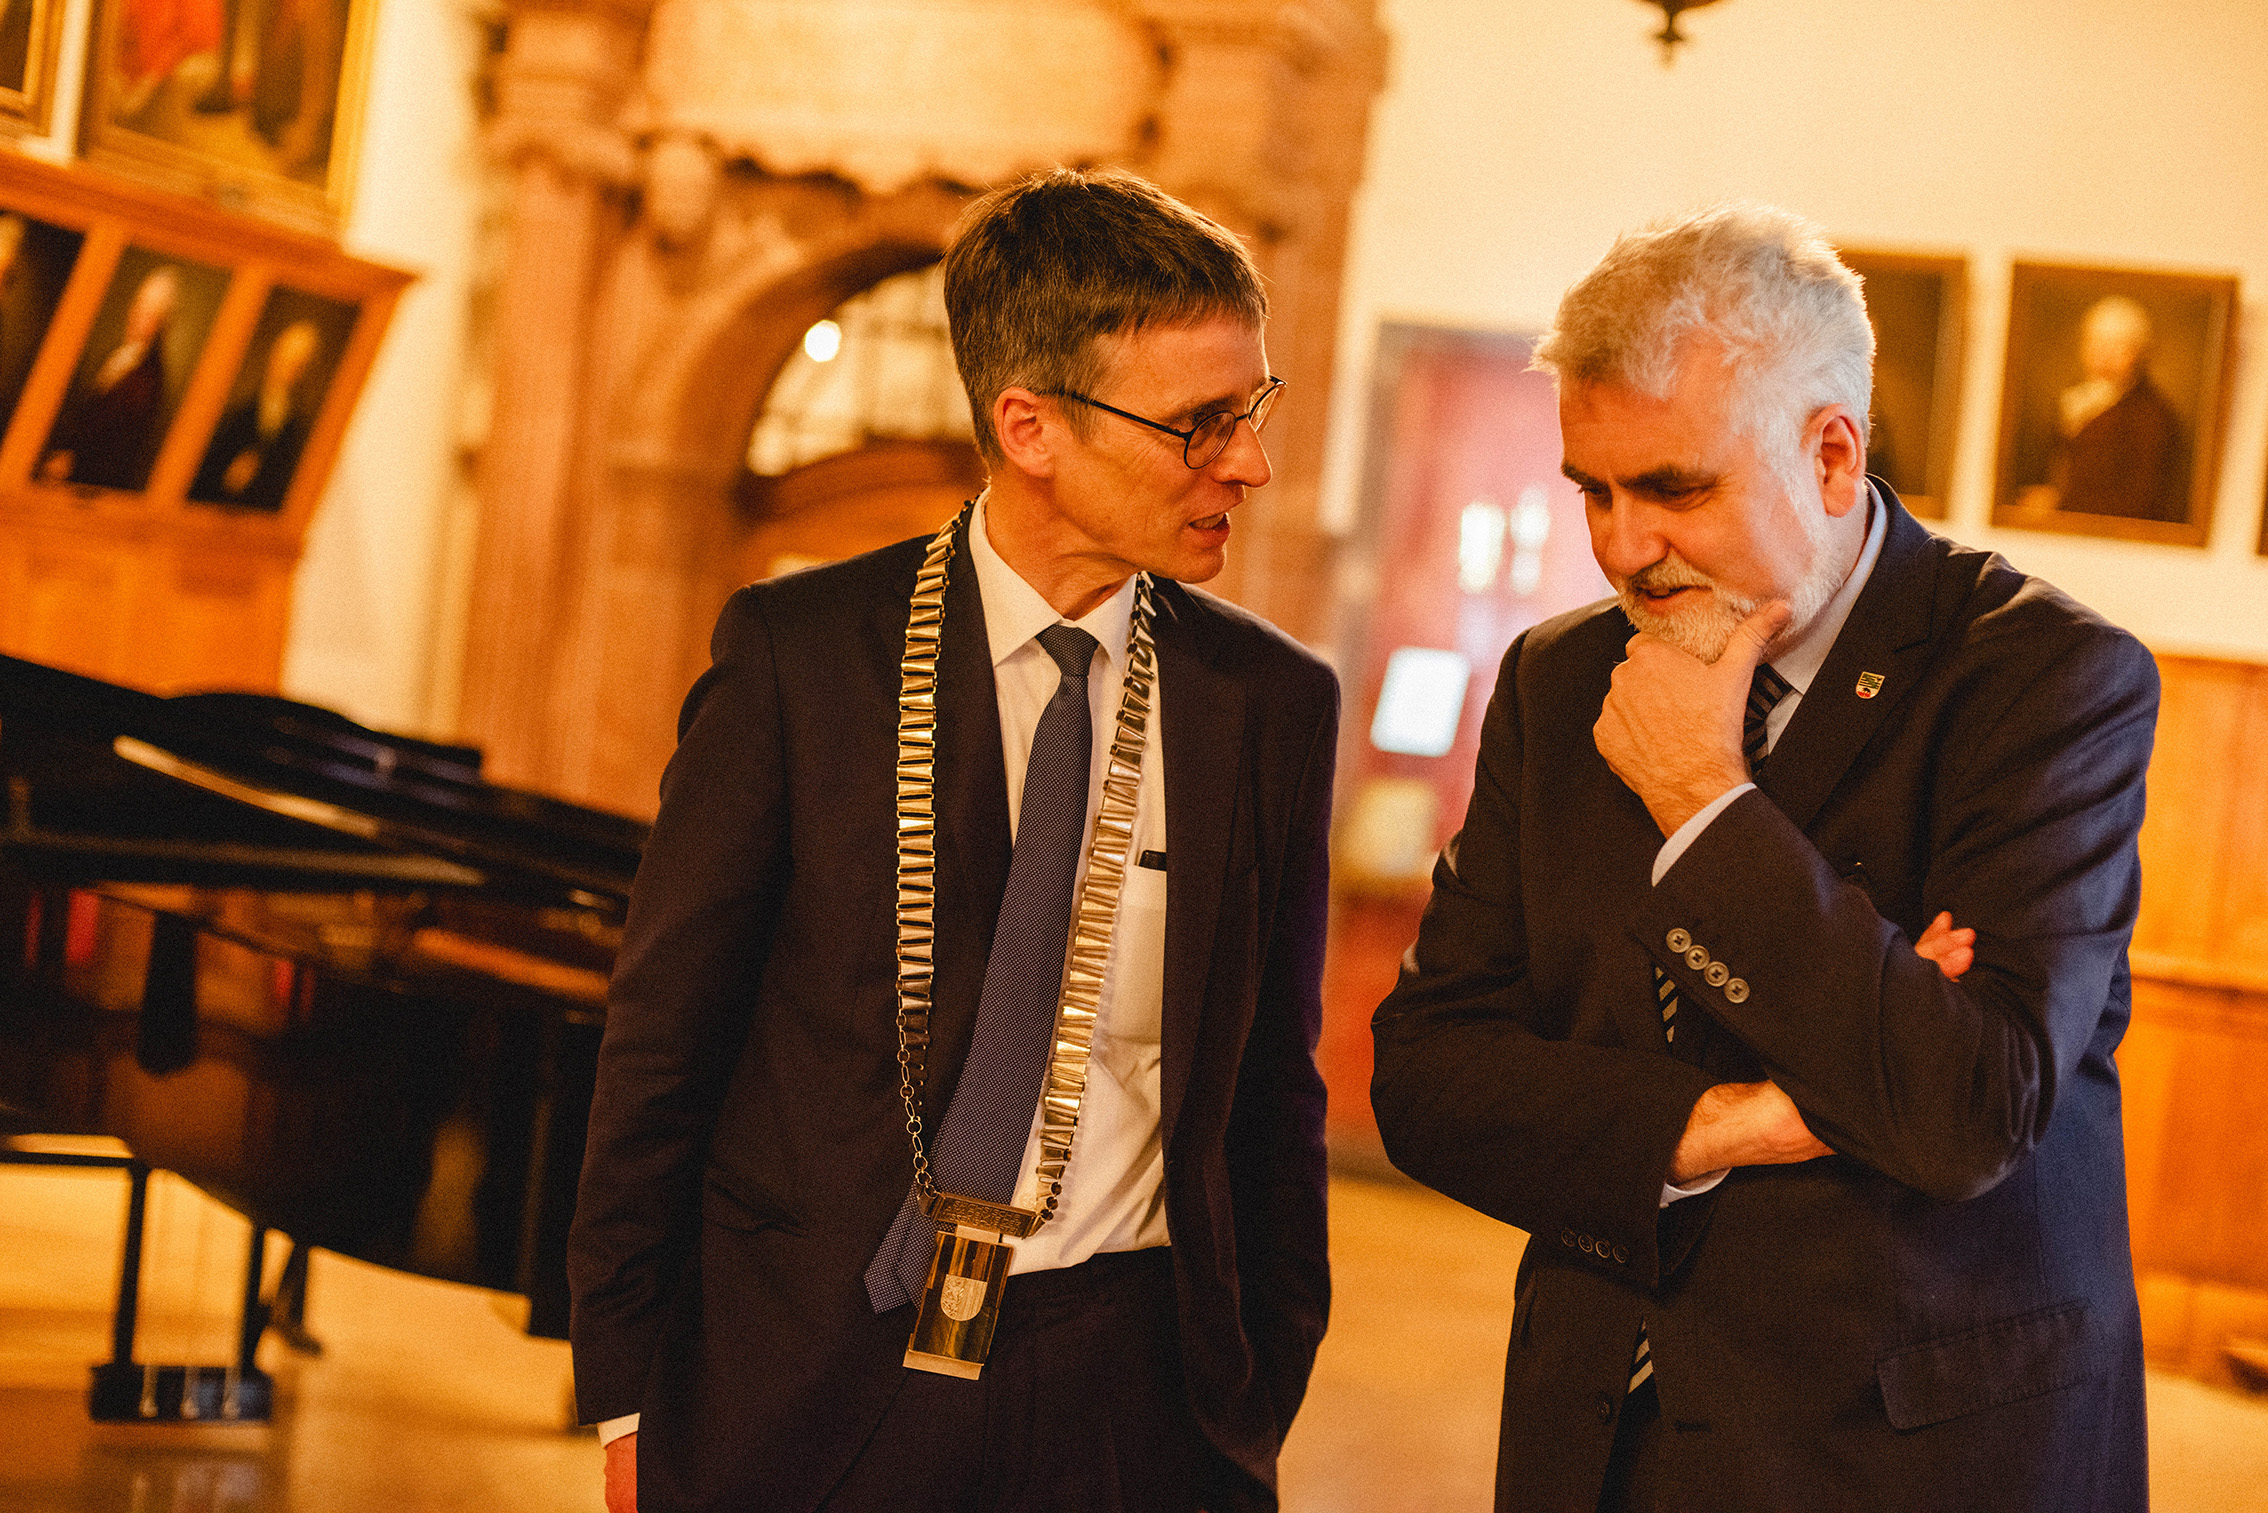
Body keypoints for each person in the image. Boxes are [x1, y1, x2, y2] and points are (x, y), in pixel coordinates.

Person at [568, 167, 1337, 1513]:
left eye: (1253, 408)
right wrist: (629, 1394)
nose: (1249, 463)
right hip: (815, 1380)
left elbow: (1273, 1091)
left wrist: (1254, 1384)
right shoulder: (797, 666)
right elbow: (659, 1056)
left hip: (1139, 1396)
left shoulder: (1267, 708)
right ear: (1030, 425)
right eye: (1200, 423)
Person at [1371, 205, 2156, 1513]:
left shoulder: (2046, 681)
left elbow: (1968, 1107)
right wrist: (1742, 1121)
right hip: (1597, 1440)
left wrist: (1706, 804)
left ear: (1832, 455)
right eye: (1596, 492)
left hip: (1912, 1450)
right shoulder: (1560, 679)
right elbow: (1430, 1075)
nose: (1622, 547)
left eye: (1675, 488)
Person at [2048, 294, 2186, 522]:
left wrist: (2060, 504)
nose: (2102, 357)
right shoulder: (2074, 397)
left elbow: (2140, 502)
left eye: (2117, 348)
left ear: (2139, 355)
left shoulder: (2153, 416)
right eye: (2095, 344)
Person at [40, 264, 178, 491]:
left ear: (161, 325)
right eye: (138, 309)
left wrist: (74, 463)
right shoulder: (115, 353)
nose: (137, 318)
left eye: (149, 315)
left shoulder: (151, 379)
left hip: (92, 482)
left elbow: (120, 443)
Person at [192, 318, 322, 510]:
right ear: (274, 356)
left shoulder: (298, 428)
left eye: (299, 365)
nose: (290, 370)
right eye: (286, 360)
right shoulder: (238, 407)